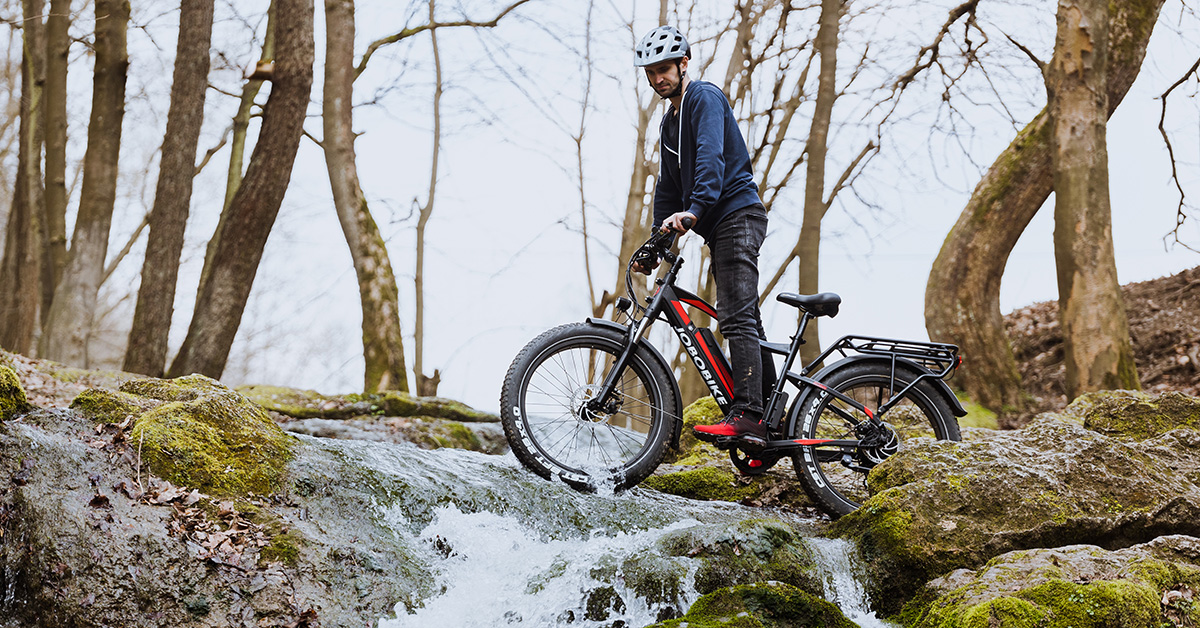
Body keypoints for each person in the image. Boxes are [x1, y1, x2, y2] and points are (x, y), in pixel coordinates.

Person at [632, 25, 774, 444]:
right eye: (651, 72)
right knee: (743, 315)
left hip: (737, 214)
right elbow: (668, 188)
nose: (658, 78)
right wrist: (656, 245)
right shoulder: (669, 124)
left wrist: (694, 211)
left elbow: (711, 159)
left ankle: (748, 413)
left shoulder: (703, 97)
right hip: (718, 222)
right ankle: (768, 412)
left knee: (734, 316)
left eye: (664, 69)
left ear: (683, 64)